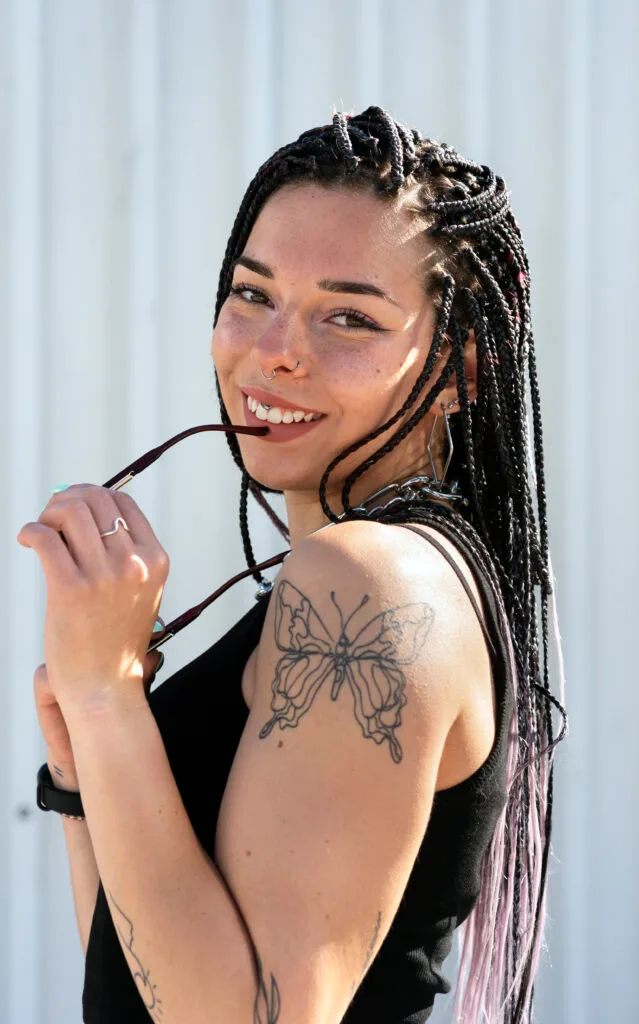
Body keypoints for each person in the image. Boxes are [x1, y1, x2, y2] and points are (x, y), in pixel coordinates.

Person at [19, 107, 567, 1023]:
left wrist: (114, 696)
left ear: (464, 366)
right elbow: (138, 982)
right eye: (252, 293)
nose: (275, 353)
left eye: (349, 317)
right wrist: (92, 761)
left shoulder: (371, 583)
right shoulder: (368, 570)